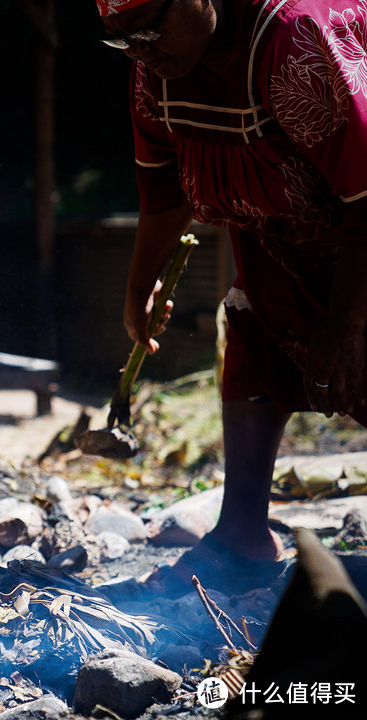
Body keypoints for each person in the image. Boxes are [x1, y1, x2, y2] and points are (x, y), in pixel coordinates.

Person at [95, 0, 367, 594]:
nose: (138, 50)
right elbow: (164, 187)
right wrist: (139, 286)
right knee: (253, 333)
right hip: (279, 239)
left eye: (147, 29)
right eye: (121, 40)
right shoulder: (157, 66)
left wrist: (346, 326)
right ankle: (241, 534)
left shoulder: (295, 41)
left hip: (360, 237)